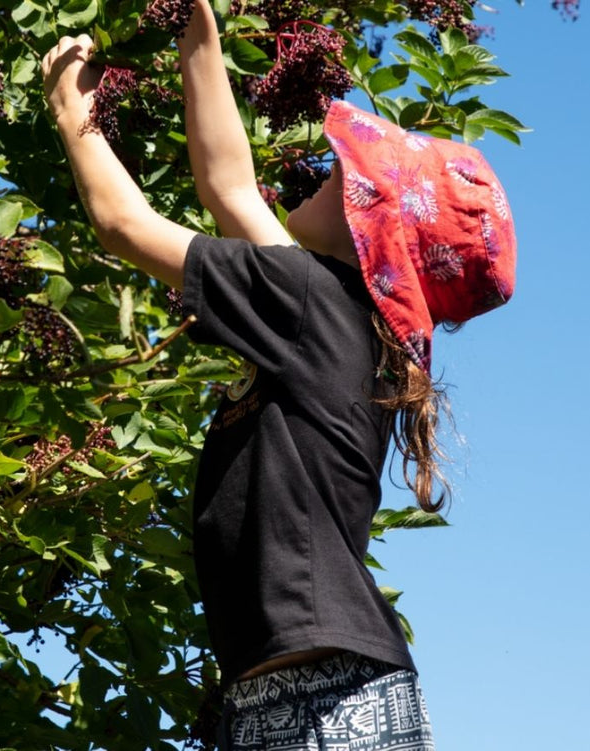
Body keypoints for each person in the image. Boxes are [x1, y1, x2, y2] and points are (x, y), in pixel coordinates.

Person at [41, 1, 516, 748]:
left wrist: (72, 111)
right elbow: (227, 185)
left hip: (326, 696)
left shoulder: (311, 305)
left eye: (346, 180)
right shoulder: (339, 316)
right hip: (297, 687)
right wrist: (198, 31)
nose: (325, 176)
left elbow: (121, 225)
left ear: (371, 234)